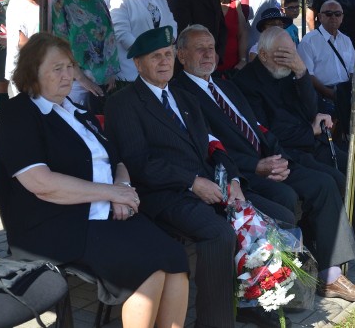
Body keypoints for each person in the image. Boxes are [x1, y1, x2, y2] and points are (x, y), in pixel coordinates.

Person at [105, 26, 296, 328]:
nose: (164, 62)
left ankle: (253, 300)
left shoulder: (183, 96)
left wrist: (233, 179)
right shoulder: (124, 102)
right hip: (164, 194)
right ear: (138, 63)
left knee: (280, 215)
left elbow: (212, 143)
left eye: (168, 55)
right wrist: (192, 182)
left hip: (210, 185)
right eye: (155, 57)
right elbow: (138, 162)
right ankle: (214, 321)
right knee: (219, 233)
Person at [173, 25, 355, 302]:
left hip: (272, 157)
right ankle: (297, 275)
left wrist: (279, 158)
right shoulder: (181, 94)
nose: (208, 54)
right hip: (240, 172)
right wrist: (256, 166)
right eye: (200, 48)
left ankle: (329, 274)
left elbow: (258, 128)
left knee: (326, 183)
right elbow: (208, 146)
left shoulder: (224, 84)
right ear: (181, 55)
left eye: (211, 47)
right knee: (290, 196)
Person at [0, 32, 189, 328]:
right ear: (32, 72)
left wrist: (122, 189)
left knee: (175, 259)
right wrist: (111, 193)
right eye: (56, 68)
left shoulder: (78, 112)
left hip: (105, 212)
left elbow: (118, 161)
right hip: (57, 222)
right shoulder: (20, 112)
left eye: (70, 67)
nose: (67, 75)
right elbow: (40, 183)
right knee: (149, 269)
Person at [233, 26, 355, 259]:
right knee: (335, 181)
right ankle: (324, 243)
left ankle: (352, 234)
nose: (290, 59)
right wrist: (309, 131)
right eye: (283, 54)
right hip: (286, 150)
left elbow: (311, 109)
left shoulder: (289, 70)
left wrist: (302, 72)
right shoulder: (246, 82)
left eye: (293, 52)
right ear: (263, 55)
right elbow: (267, 131)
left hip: (312, 141)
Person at [51, 0, 120, 108]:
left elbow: (109, 34)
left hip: (105, 81)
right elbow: (57, 47)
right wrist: (82, 79)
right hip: (75, 84)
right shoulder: (57, 1)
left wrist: (109, 72)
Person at [110, 0, 176, 83]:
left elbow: (171, 24)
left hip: (162, 68)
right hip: (134, 72)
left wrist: (166, 49)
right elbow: (122, 34)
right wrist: (149, 54)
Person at [203, 0, 248, 74]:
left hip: (233, 67)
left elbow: (242, 33)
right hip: (207, 67)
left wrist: (242, 60)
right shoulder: (202, 5)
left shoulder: (235, 3)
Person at [5, 0, 40, 96]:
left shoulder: (48, 2)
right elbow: (22, 42)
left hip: (44, 66)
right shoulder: (17, 4)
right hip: (24, 68)